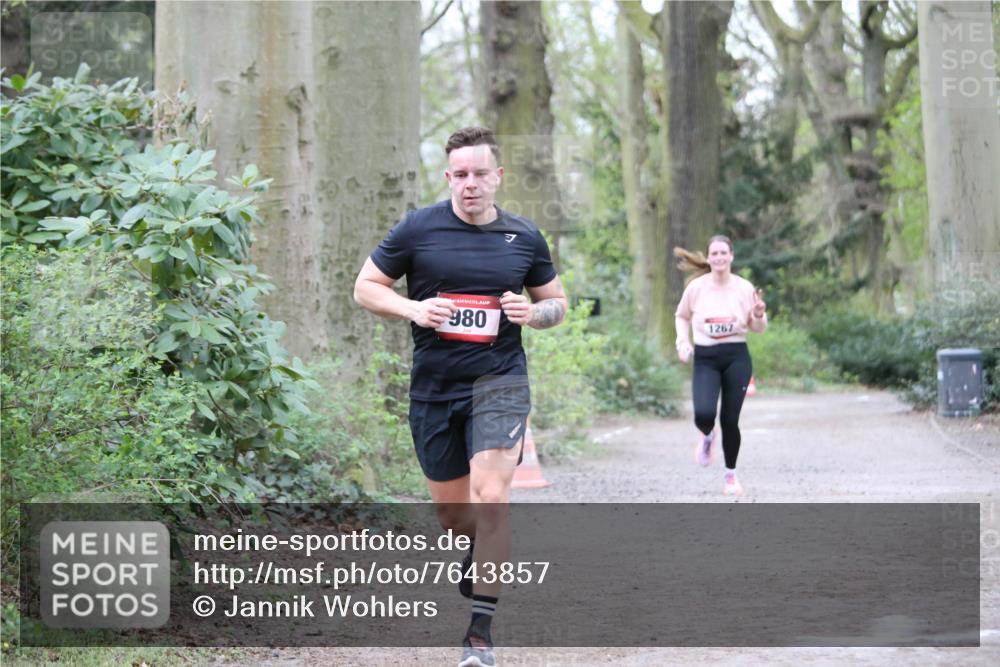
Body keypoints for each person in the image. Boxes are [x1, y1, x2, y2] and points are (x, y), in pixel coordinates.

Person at [353, 126, 567, 667]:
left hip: (500, 382)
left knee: (492, 498)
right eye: (461, 174)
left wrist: (532, 313)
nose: (470, 184)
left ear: (498, 177)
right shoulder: (417, 229)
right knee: (453, 516)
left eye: (480, 174)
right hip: (434, 388)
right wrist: (414, 308)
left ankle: (479, 635)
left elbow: (557, 304)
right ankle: (475, 546)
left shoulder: (524, 236)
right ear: (448, 177)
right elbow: (365, 287)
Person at [673, 235, 767, 496]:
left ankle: (730, 476)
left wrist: (758, 314)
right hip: (706, 358)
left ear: (731, 256)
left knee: (730, 419)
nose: (719, 258)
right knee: (703, 414)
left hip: (736, 356)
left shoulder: (744, 288)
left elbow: (758, 328)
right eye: (714, 253)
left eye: (723, 253)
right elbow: (681, 316)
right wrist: (683, 341)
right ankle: (707, 435)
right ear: (708, 258)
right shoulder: (696, 288)